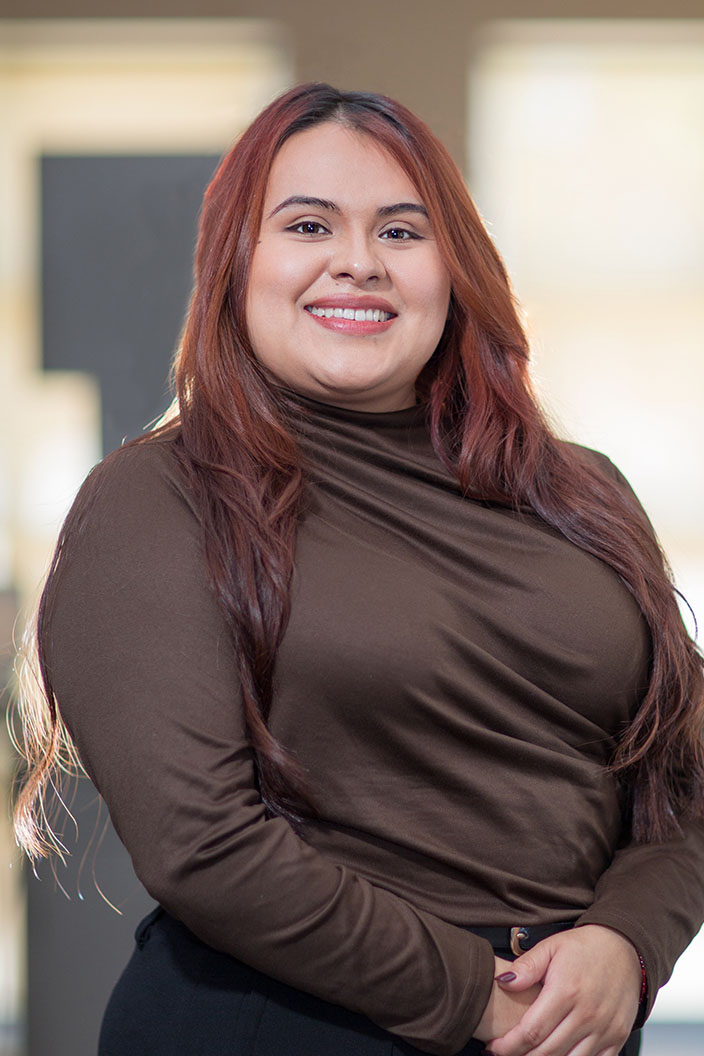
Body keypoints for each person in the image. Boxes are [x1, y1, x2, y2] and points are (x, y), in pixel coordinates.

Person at [13, 82, 704, 1056]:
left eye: (400, 232)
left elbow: (684, 778)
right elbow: (201, 846)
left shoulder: (578, 492)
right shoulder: (157, 498)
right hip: (280, 1026)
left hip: (566, 1027)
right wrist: (480, 998)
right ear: (233, 264)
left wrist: (625, 944)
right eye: (306, 225)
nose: (356, 262)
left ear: (453, 267)